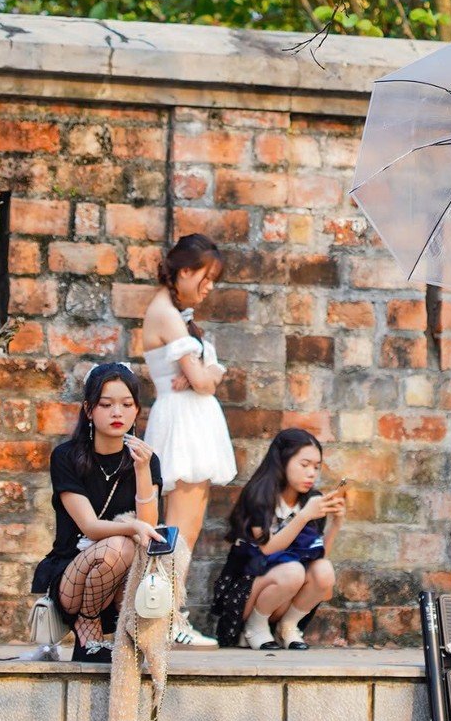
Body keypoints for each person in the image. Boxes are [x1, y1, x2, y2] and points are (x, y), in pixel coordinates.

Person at [32, 362, 164, 663]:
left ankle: (114, 637)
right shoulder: (66, 457)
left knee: (128, 545)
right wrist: (132, 529)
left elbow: (150, 526)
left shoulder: (147, 459)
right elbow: (90, 526)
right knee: (121, 543)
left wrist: (142, 469)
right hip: (70, 578)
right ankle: (86, 632)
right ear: (89, 410)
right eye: (106, 404)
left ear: (136, 411)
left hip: (119, 583)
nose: (117, 413)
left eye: (126, 404)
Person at [140, 233, 234, 648]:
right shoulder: (165, 312)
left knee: (188, 529)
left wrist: (207, 375)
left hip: (191, 419)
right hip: (182, 421)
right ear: (184, 271)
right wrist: (207, 375)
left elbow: (206, 376)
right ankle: (169, 616)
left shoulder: (176, 312)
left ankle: (172, 613)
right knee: (179, 528)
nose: (209, 286)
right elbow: (202, 379)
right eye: (206, 276)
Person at [212, 428, 347, 649]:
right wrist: (303, 517)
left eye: (316, 467)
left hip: (282, 597)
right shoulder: (259, 495)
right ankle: (254, 627)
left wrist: (336, 524)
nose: (312, 473)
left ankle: (287, 627)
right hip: (246, 595)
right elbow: (267, 550)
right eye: (304, 465)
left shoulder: (311, 499)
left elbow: (318, 556)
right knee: (292, 570)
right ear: (282, 461)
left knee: (324, 571)